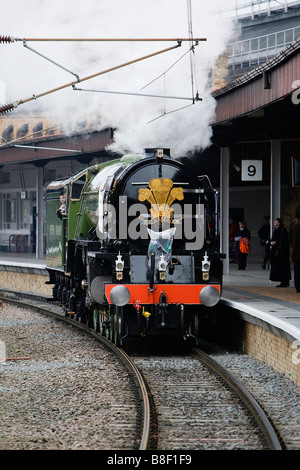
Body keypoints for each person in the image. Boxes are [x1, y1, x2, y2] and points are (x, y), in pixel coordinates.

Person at [269, 218, 291, 287]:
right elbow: (273, 239)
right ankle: (283, 281)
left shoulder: (283, 230)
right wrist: (271, 242)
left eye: (277, 222)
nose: (276, 224)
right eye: (275, 223)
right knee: (280, 267)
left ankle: (284, 281)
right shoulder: (276, 231)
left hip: (282, 253)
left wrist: (275, 243)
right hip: (278, 252)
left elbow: (283, 241)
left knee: (283, 267)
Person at [289, 211, 300, 293]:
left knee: (297, 271)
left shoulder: (292, 226)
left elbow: (290, 240)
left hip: (296, 252)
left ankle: (298, 287)